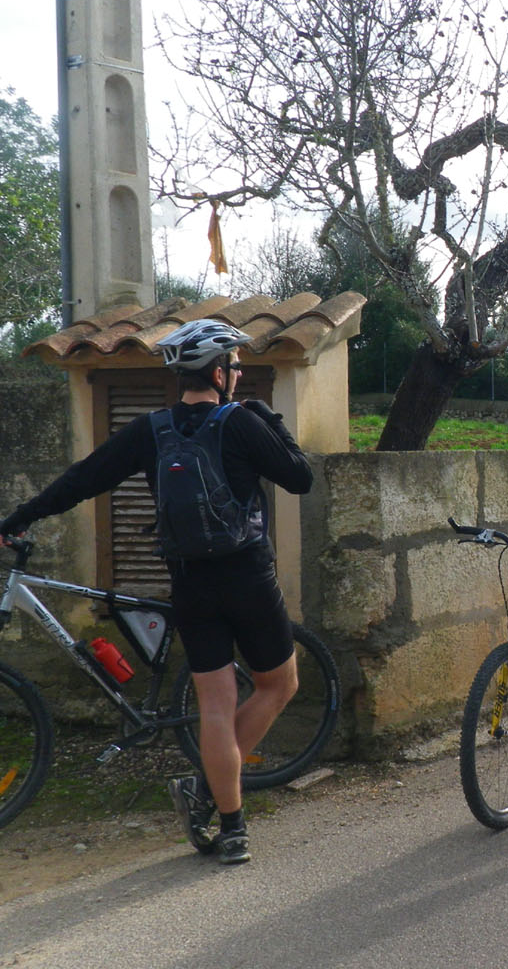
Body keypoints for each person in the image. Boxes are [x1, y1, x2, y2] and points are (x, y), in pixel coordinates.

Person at [0, 319, 313, 864]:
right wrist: (273, 420)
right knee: (278, 684)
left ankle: (233, 831)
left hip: (189, 581)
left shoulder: (150, 429)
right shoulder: (242, 422)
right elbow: (300, 478)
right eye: (235, 366)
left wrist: (20, 517)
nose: (239, 374)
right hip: (247, 576)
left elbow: (84, 478)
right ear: (218, 372)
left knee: (215, 707)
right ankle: (206, 792)